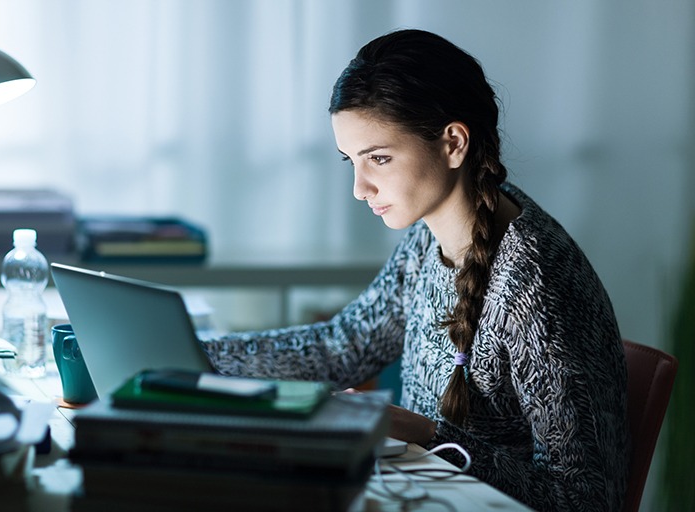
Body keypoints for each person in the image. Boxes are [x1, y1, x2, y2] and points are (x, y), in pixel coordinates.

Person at [201, 29, 628, 512]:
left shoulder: (536, 285)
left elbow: (586, 500)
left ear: (453, 143)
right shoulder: (432, 236)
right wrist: (197, 356)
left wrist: (428, 434)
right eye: (352, 161)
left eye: (379, 159)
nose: (360, 188)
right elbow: (347, 344)